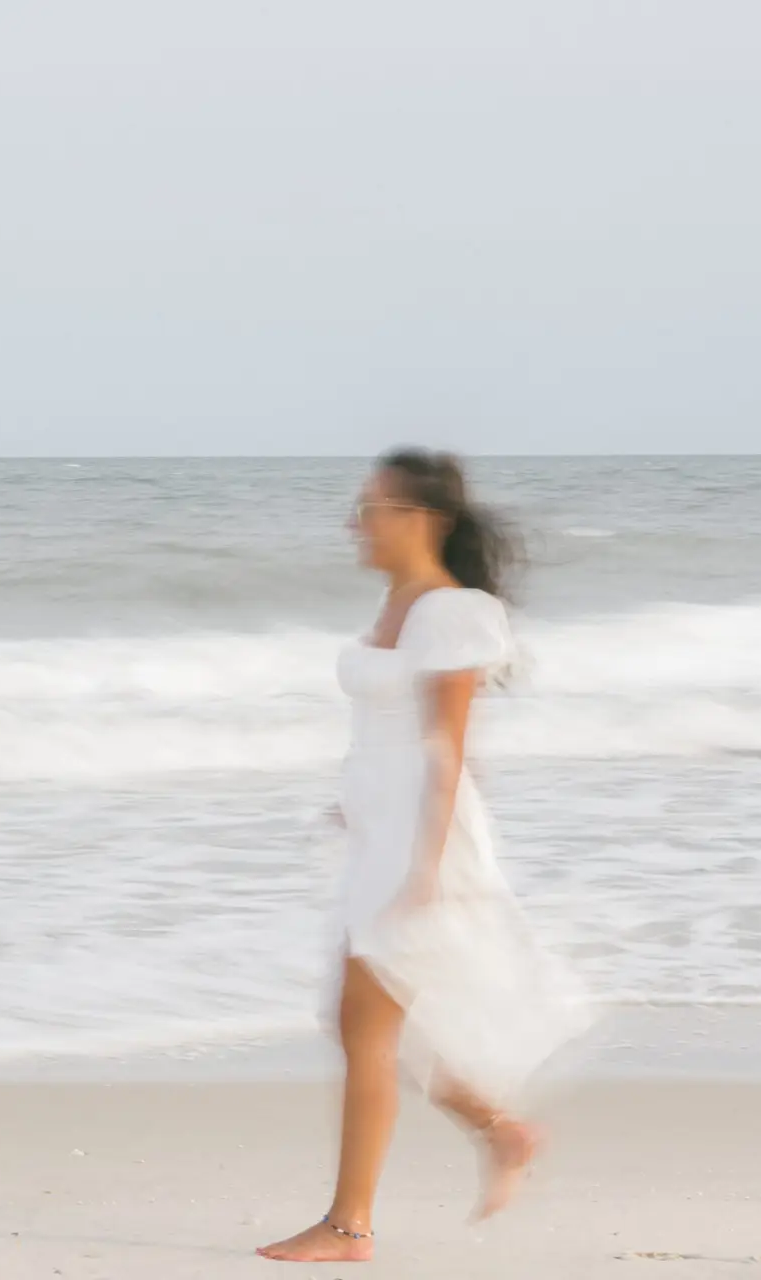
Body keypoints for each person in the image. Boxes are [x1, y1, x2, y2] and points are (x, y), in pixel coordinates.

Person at [259, 449, 589, 1264]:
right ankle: (501, 1132)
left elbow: (447, 748)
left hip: (422, 840)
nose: (355, 523)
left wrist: (428, 867)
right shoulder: (396, 602)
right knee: (368, 1025)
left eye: (371, 508)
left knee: (371, 1028)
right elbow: (387, 729)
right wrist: (352, 807)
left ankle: (350, 1227)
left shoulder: (450, 612)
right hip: (382, 831)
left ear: (420, 520)